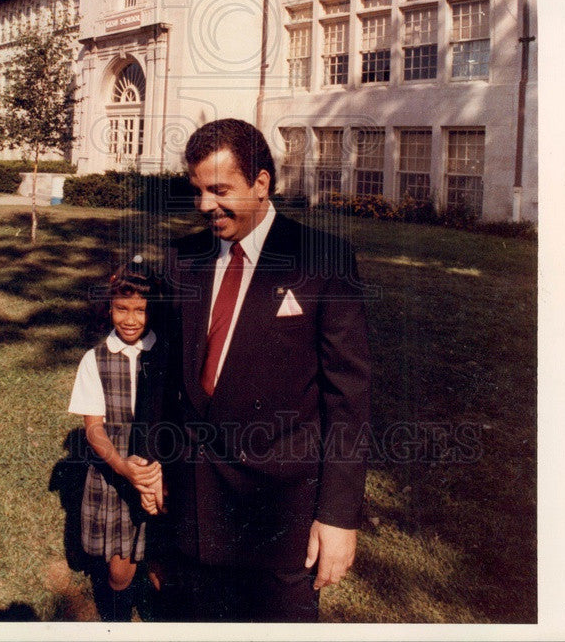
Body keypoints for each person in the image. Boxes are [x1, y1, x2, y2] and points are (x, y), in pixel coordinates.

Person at [161, 118, 371, 622]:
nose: (206, 206)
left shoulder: (323, 259)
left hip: (282, 520)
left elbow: (350, 399)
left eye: (220, 190)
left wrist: (339, 518)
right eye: (198, 191)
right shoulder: (182, 260)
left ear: (261, 182)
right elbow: (167, 375)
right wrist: (153, 457)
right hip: (195, 512)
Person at [67, 256, 166, 621]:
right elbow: (94, 428)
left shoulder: (166, 353)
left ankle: (160, 617)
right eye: (121, 308)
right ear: (108, 307)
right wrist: (123, 468)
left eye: (140, 310)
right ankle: (117, 621)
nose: (130, 319)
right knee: (120, 570)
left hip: (162, 469)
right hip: (117, 473)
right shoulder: (95, 360)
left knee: (161, 565)